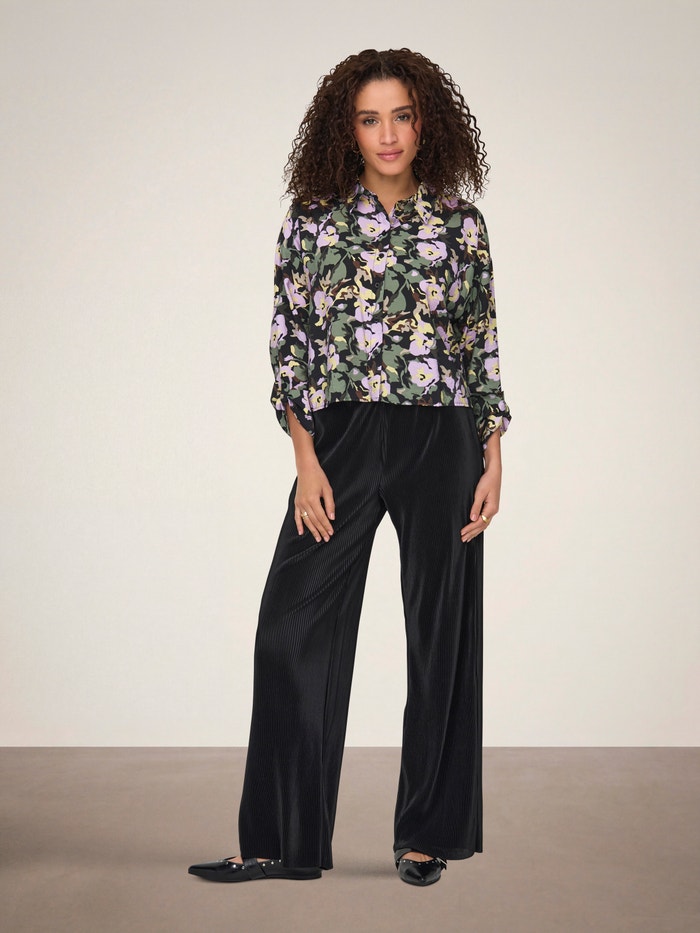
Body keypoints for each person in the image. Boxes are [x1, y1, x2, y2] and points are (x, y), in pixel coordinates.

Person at [188, 47, 511, 888]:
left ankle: (426, 834)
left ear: (426, 121)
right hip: (340, 437)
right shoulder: (313, 220)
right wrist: (305, 456)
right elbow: (289, 343)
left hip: (443, 436)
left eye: (402, 115)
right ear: (348, 128)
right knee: (289, 626)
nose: (388, 133)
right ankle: (280, 841)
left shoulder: (461, 225)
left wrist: (493, 454)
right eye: (371, 118)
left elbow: (480, 344)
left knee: (442, 635)